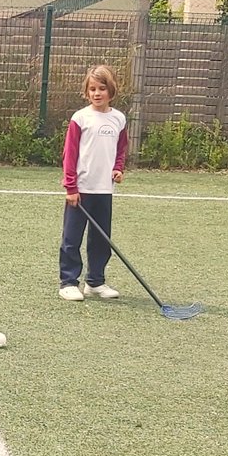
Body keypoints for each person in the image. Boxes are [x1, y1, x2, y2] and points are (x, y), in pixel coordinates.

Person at [59, 64, 128, 300]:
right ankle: (68, 281)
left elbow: (121, 149)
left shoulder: (119, 119)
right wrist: (71, 187)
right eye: (92, 89)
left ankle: (95, 282)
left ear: (111, 90)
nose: (97, 94)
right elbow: (70, 154)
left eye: (102, 89)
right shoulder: (80, 118)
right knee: (72, 237)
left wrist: (118, 169)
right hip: (81, 189)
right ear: (86, 92)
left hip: (104, 190)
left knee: (101, 239)